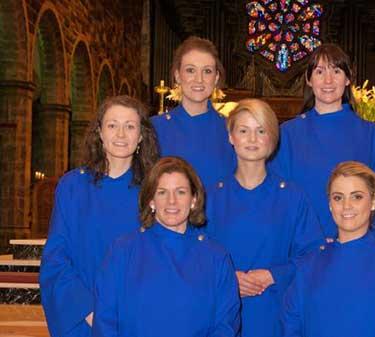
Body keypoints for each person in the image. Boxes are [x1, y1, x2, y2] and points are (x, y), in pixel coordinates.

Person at [40, 95, 159, 337]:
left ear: (141, 136)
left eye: (130, 126)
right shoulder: (72, 185)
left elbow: (163, 254)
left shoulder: (155, 189)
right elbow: (56, 257)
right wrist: (89, 310)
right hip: (83, 316)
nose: (121, 134)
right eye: (112, 125)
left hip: (138, 316)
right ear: (100, 133)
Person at [206, 99, 324, 337]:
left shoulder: (292, 197)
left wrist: (274, 275)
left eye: (261, 131)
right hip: (220, 315)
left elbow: (313, 255)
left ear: (272, 138)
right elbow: (195, 257)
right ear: (231, 137)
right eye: (243, 130)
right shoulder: (211, 197)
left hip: (275, 313)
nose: (252, 139)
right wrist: (228, 278)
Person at [92, 157, 240, 337]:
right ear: (151, 201)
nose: (172, 201)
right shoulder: (122, 251)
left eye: (180, 192)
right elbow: (105, 322)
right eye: (162, 192)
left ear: (193, 199)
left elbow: (226, 325)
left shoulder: (216, 257)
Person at [282, 161, 375, 337]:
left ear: (373, 201)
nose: (346, 206)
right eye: (338, 197)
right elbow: (291, 325)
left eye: (356, 196)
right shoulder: (309, 264)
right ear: (329, 205)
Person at [270, 43, 375, 239]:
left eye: (336, 71)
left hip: (354, 243)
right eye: (319, 71)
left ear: (348, 78)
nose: (328, 80)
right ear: (309, 79)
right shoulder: (287, 134)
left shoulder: (372, 134)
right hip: (302, 243)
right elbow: (280, 196)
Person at [151, 36, 236, 189]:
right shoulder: (154, 128)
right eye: (190, 70)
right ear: (178, 76)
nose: (199, 79)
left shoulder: (231, 130)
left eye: (207, 71)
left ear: (216, 77)